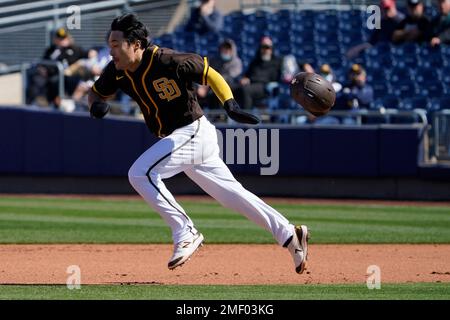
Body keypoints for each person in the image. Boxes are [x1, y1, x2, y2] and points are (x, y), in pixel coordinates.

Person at [88, 14, 309, 274]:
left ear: (135, 44)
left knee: (141, 173)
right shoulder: (117, 70)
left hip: (193, 131)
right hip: (182, 140)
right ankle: (290, 235)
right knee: (233, 196)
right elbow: (95, 92)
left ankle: (186, 231)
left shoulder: (166, 60)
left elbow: (209, 73)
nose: (111, 50)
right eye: (110, 44)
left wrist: (230, 104)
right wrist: (95, 105)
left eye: (116, 44)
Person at [234, 36, 282, 109]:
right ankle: (225, 115)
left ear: (271, 49)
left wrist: (304, 64)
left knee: (246, 90)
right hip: (252, 84)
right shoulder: (255, 62)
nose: (265, 50)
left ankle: (246, 117)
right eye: (263, 47)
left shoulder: (277, 62)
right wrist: (245, 79)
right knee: (233, 88)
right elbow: (247, 75)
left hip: (265, 87)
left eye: (267, 47)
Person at [197, 38, 242, 109]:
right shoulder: (215, 60)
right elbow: (208, 73)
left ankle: (221, 116)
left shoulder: (237, 62)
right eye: (224, 48)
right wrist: (203, 86)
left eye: (228, 49)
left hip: (230, 87)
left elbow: (230, 76)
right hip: (212, 85)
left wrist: (209, 85)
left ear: (232, 50)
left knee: (216, 92)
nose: (226, 51)